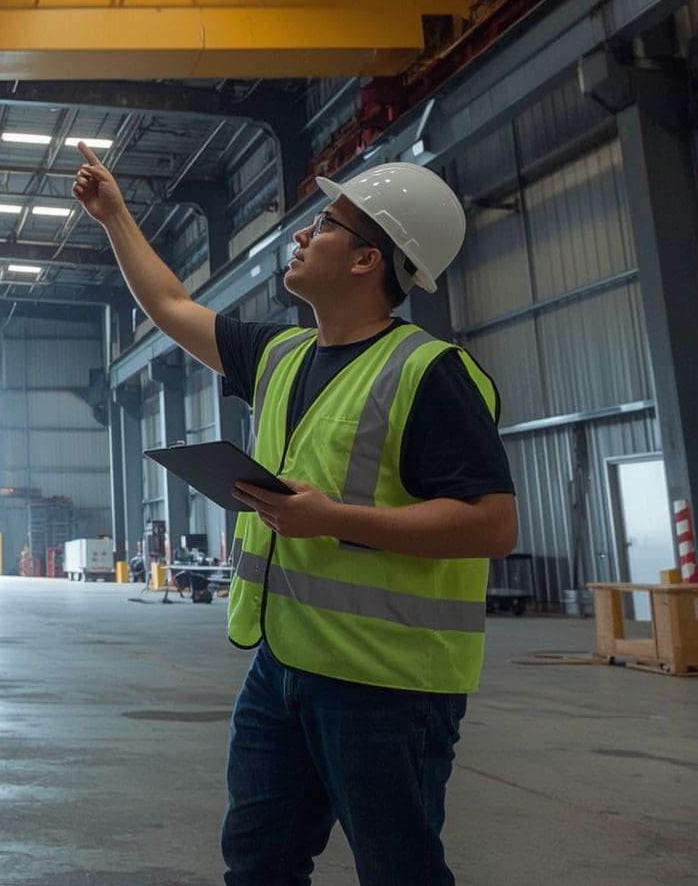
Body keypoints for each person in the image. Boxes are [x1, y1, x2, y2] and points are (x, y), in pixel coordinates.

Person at [73, 144, 517, 885]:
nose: (302, 236)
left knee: (399, 869)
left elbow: (492, 523)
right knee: (258, 862)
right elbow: (174, 308)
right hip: (281, 666)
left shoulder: (429, 371)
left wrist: (332, 518)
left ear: (367, 260)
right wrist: (115, 216)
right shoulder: (281, 355)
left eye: (325, 226)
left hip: (387, 684)